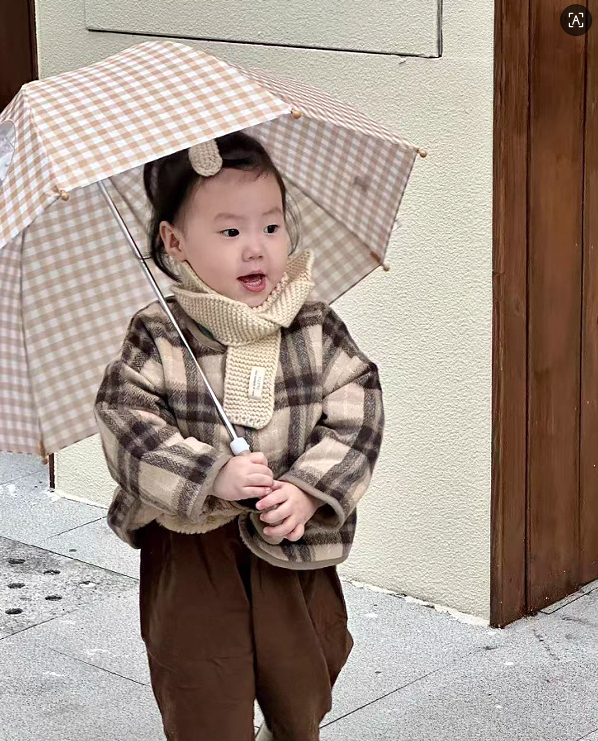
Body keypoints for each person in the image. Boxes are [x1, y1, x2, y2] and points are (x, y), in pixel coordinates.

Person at [93, 131, 384, 741]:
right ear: (175, 242)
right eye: (229, 231)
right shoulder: (160, 333)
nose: (256, 248)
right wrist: (211, 474)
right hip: (192, 545)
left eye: (271, 227)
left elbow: (357, 412)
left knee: (306, 675)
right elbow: (126, 422)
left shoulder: (312, 324)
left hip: (289, 533)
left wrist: (307, 489)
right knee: (202, 683)